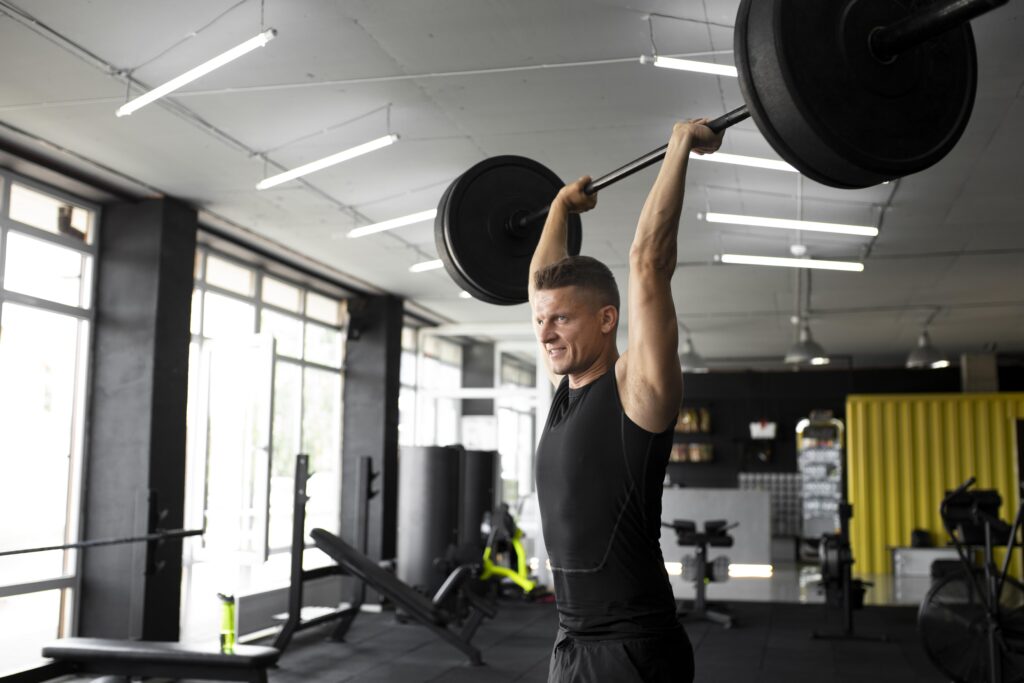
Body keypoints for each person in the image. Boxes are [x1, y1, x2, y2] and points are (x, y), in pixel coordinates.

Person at [530, 119, 723, 683]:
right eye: (542, 320)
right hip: (570, 644)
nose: (544, 332)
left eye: (561, 319)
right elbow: (539, 286)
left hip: (633, 650)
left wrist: (679, 147)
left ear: (607, 319)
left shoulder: (636, 393)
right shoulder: (564, 394)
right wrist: (558, 210)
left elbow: (647, 261)